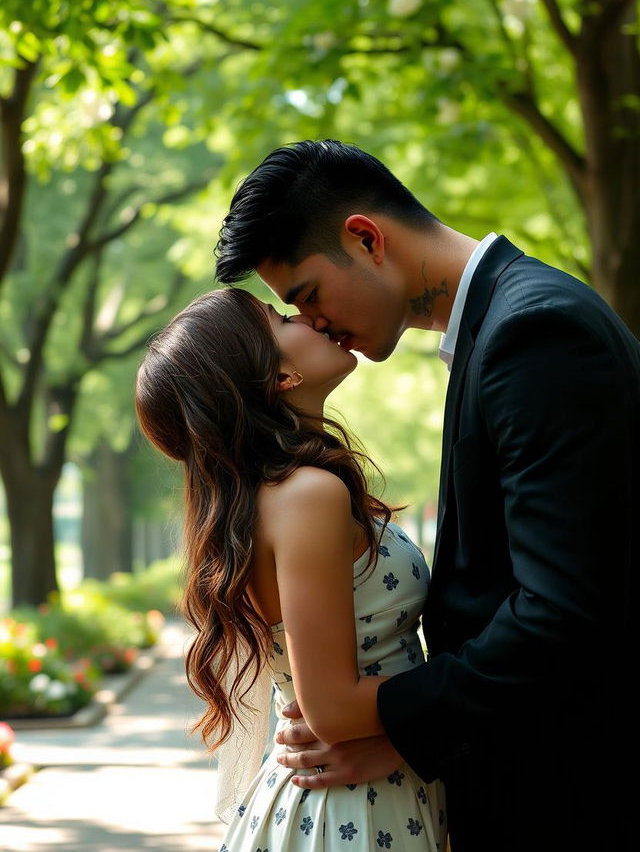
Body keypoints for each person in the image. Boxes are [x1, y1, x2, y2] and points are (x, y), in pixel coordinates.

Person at [214, 139, 638, 852]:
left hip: (568, 798)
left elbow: (564, 609)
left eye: (307, 296)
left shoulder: (534, 333)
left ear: (366, 237)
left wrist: (407, 736)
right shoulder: (501, 328)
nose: (314, 324)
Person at [135, 287, 447, 852]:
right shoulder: (308, 496)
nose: (308, 316)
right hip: (355, 808)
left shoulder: (272, 497)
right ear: (279, 375)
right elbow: (331, 710)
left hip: (351, 793)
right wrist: (463, 708)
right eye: (282, 318)